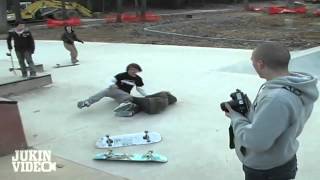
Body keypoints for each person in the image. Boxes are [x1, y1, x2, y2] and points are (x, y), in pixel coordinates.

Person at [223, 42, 319, 180]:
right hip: (284, 158)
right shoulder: (298, 86)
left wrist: (236, 117)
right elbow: (281, 119)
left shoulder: (276, 99)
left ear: (260, 64)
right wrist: (252, 111)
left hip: (267, 170)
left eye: (253, 62)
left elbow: (256, 142)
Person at [77, 63, 147, 115]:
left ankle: (124, 110)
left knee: (129, 99)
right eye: (131, 69)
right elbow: (110, 79)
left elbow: (139, 89)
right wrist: (112, 84)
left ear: (138, 70)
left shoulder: (138, 79)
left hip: (124, 94)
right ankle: (87, 102)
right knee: (105, 91)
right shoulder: (122, 75)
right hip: (114, 91)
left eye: (135, 70)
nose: (133, 71)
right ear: (128, 70)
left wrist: (146, 95)